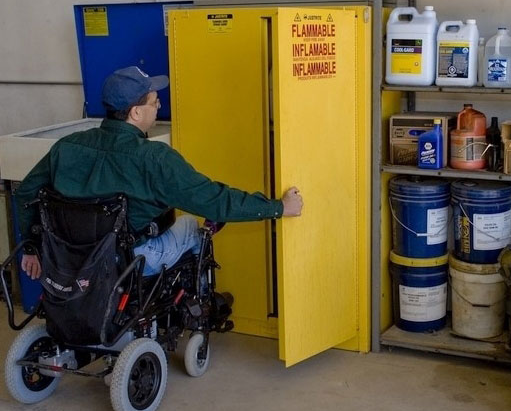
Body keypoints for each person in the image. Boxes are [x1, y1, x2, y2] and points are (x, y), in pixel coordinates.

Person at [16, 66, 303, 279]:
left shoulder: (67, 147)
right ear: (136, 113)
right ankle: (198, 306)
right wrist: (279, 207)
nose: (159, 106)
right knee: (192, 225)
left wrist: (32, 248)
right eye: (154, 102)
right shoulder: (154, 158)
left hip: (68, 257)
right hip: (128, 260)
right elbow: (214, 200)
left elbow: (26, 194)